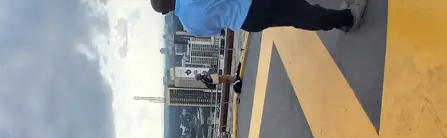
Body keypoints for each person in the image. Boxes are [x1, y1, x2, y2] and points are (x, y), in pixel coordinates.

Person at [150, 0, 367, 37]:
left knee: (296, 15)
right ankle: (348, 18)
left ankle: (338, 20)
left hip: (248, 23)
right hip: (254, 4)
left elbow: (217, 30)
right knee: (300, 13)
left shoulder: (189, 25)